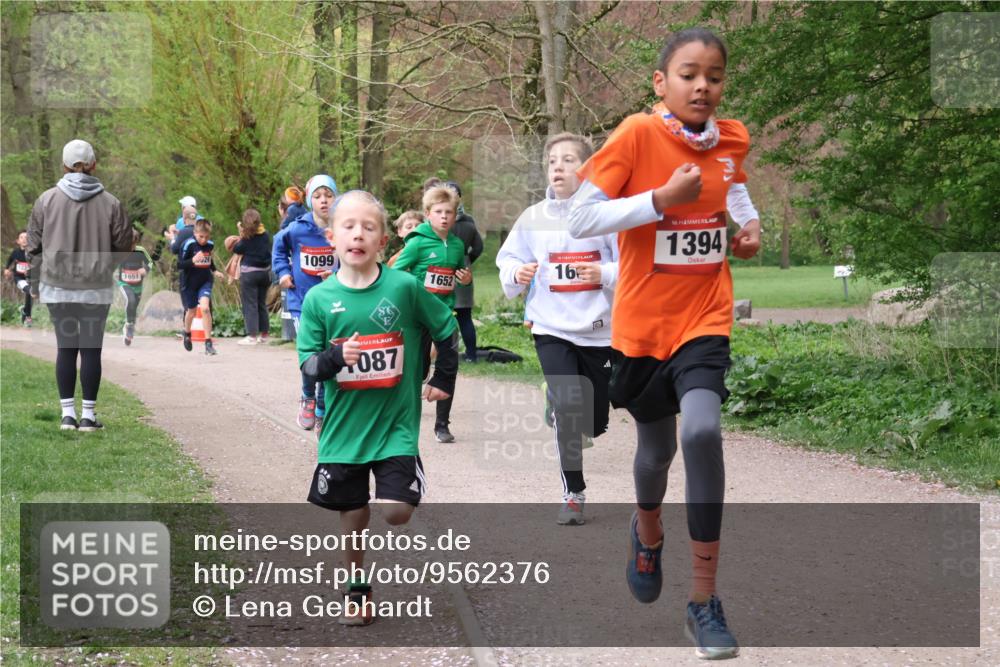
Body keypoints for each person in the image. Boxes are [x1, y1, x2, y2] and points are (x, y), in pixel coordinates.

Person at [568, 28, 762, 660]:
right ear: (662, 82)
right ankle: (646, 530)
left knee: (701, 432)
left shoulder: (731, 137)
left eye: (713, 75)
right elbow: (581, 219)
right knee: (655, 451)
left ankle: (703, 600)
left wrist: (748, 221)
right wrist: (658, 200)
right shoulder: (634, 136)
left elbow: (730, 183)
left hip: (705, 317)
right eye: (688, 73)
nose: (702, 85)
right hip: (643, 329)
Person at [297, 190, 458, 626]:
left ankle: (409, 472)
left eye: (369, 227)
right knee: (352, 516)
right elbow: (308, 364)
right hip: (343, 432)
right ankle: (357, 588)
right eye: (349, 226)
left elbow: (447, 326)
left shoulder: (403, 287)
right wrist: (336, 358)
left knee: (396, 511)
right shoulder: (318, 300)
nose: (358, 234)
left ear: (383, 241)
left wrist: (443, 378)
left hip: (394, 426)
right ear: (332, 237)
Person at [497, 132, 618, 526]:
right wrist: (518, 271)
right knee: (569, 406)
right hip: (551, 327)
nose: (558, 168)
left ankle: (565, 405)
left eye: (568, 161)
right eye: (552, 162)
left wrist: (603, 272)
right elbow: (509, 257)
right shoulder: (534, 218)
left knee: (595, 421)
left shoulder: (608, 215)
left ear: (587, 169)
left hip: (600, 331)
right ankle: (573, 493)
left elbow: (631, 265)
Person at [25, 139, 132, 431]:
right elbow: (124, 244)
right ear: (94, 164)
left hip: (57, 285)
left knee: (66, 348)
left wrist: (35, 278)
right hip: (95, 286)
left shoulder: (46, 200)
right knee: (91, 350)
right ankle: (88, 416)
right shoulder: (111, 203)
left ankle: (67, 415)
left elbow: (32, 246)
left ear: (64, 165)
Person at [392, 185, 470, 443]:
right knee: (418, 368)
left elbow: (460, 275)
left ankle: (442, 425)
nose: (444, 217)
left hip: (444, 313)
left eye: (449, 212)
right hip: (418, 314)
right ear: (428, 214)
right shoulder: (417, 242)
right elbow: (397, 273)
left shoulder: (458, 245)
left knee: (449, 364)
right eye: (439, 212)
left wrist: (466, 279)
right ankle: (404, 414)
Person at [272, 175, 339, 432]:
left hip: (333, 301)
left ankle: (322, 405)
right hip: (302, 301)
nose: (324, 200)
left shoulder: (342, 227)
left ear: (336, 197)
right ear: (310, 200)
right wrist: (283, 272)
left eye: (329, 195)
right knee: (311, 351)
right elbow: (278, 248)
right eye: (318, 196)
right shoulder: (297, 228)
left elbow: (350, 255)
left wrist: (337, 273)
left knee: (329, 351)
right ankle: (308, 397)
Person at [445, 181, 484, 362]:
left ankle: (444, 355)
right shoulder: (469, 221)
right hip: (463, 272)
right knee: (465, 317)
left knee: (441, 316)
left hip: (441, 271)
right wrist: (467, 261)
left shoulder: (440, 219)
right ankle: (471, 355)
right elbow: (478, 247)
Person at [178, 218, 225, 355]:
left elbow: (209, 260)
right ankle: (187, 333)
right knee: (191, 312)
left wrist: (215, 271)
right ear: (195, 233)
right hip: (189, 283)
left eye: (207, 237)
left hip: (205, 281)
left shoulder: (210, 245)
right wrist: (192, 260)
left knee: (205, 308)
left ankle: (208, 343)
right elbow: (179, 265)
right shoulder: (188, 245)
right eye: (201, 236)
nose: (204, 240)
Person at [231, 208, 272, 345]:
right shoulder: (266, 235)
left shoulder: (247, 238)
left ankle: (252, 336)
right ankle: (264, 334)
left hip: (250, 274)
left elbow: (237, 249)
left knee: (250, 304)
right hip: (265, 274)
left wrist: (241, 235)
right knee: (261, 303)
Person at [116, 229, 163, 345]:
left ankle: (128, 327)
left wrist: (145, 269)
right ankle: (129, 326)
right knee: (130, 300)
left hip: (137, 286)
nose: (130, 248)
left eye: (133, 245)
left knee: (134, 307)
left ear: (136, 242)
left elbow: (150, 263)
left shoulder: (141, 251)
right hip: (124, 283)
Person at [4, 230, 34, 326]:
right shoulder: (15, 252)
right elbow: (9, 260)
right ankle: (28, 318)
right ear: (18, 241)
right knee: (30, 291)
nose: (24, 239)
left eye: (26, 237)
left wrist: (30, 271)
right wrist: (6, 269)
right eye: (22, 237)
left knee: (30, 295)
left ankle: (24, 311)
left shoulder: (33, 253)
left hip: (31, 279)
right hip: (19, 278)